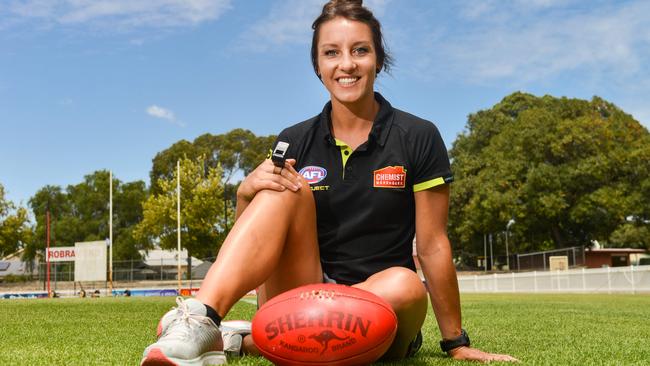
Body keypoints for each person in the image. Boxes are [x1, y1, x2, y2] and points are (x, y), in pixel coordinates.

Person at [141, 0, 518, 365]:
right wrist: (245, 192)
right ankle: (201, 322)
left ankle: (253, 339)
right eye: (332, 53)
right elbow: (257, 237)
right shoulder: (293, 139)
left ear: (379, 60)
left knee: (405, 283)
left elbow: (433, 244)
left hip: (383, 301)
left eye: (360, 50)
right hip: (300, 293)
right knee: (284, 187)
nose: (347, 64)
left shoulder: (418, 135)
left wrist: (456, 343)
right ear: (317, 65)